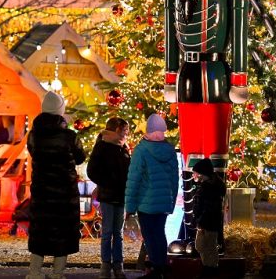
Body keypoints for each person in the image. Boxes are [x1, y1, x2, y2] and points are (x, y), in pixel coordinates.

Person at [163, 0, 248, 245]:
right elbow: (171, 41)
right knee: (189, 150)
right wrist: (170, 77)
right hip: (186, 79)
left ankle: (213, 230)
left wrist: (239, 79)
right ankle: (189, 226)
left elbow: (240, 39)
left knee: (215, 150)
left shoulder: (232, 0)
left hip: (216, 77)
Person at [25, 91, 86, 279]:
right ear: (61, 111)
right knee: (63, 230)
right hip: (64, 192)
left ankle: (35, 271)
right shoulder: (70, 136)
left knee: (40, 229)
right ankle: (57, 273)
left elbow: (33, 153)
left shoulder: (34, 135)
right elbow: (80, 158)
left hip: (42, 191)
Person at [124, 113, 179, 279]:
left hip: (145, 203)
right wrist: (171, 201)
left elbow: (134, 180)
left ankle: (156, 268)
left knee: (149, 235)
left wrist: (130, 207)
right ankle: (161, 267)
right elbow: (174, 179)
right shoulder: (170, 150)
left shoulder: (141, 150)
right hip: (163, 202)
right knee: (159, 233)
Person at [87, 117, 131, 279]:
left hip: (121, 195)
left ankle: (118, 265)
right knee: (107, 232)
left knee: (118, 233)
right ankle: (106, 265)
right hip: (108, 195)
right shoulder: (103, 146)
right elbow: (92, 170)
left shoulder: (123, 147)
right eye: (125, 129)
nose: (127, 132)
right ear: (117, 129)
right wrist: (107, 183)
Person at [191, 158, 226, 277]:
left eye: (196, 173)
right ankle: (209, 268)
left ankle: (210, 270)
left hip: (208, 223)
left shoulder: (209, 188)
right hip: (207, 222)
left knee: (207, 246)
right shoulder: (208, 186)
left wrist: (200, 221)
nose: (194, 175)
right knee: (203, 245)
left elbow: (207, 207)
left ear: (202, 174)